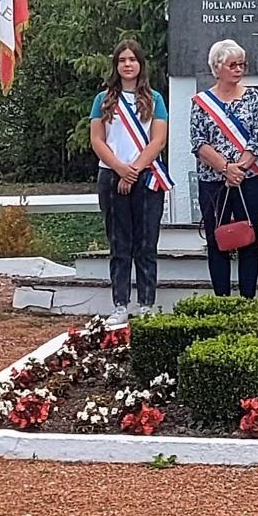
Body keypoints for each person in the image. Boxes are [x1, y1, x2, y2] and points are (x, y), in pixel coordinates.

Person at [89, 39, 171, 323]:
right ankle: (120, 304)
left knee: (146, 243)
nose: (127, 64)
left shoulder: (155, 99)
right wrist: (120, 169)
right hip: (111, 176)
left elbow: (158, 139)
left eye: (132, 59)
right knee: (119, 243)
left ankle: (146, 303)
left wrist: (133, 170)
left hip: (146, 177)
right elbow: (97, 140)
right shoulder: (103, 99)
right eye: (122, 60)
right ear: (116, 65)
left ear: (140, 64)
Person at [190, 39, 258, 299]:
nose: (238, 69)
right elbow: (199, 143)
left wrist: (240, 169)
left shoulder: (253, 97)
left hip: (249, 179)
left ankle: (247, 299)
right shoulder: (202, 102)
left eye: (241, 64)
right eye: (232, 64)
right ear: (216, 67)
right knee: (218, 241)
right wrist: (226, 168)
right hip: (214, 181)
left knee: (248, 239)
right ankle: (221, 300)